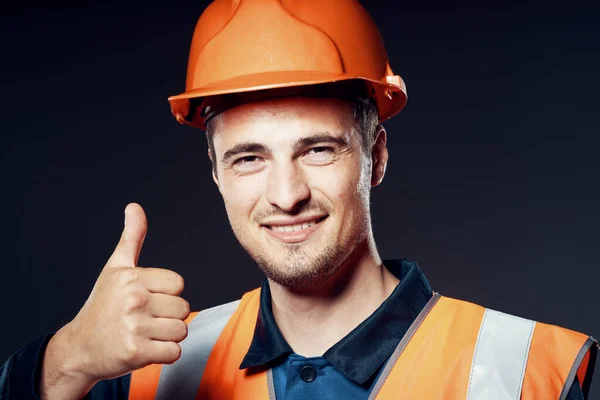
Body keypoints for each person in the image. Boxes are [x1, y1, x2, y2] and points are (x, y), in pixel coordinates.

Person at [1, 0, 597, 399]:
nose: (286, 196)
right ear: (214, 171)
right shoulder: (142, 370)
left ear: (377, 157)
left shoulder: (539, 371)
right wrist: (67, 359)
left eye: (317, 150)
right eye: (250, 158)